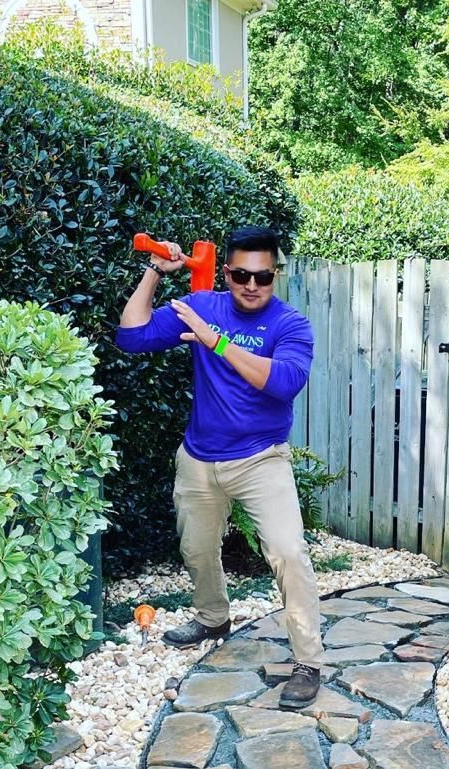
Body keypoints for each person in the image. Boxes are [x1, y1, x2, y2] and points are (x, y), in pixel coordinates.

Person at [116, 226, 325, 709]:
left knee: (289, 553)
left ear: (276, 274)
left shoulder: (290, 325)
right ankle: (213, 618)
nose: (252, 285)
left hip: (261, 459)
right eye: (241, 275)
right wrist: (154, 271)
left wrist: (217, 343)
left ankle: (308, 661)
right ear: (227, 272)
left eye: (263, 276)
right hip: (199, 458)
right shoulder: (203, 305)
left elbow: (283, 383)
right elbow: (130, 336)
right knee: (196, 549)